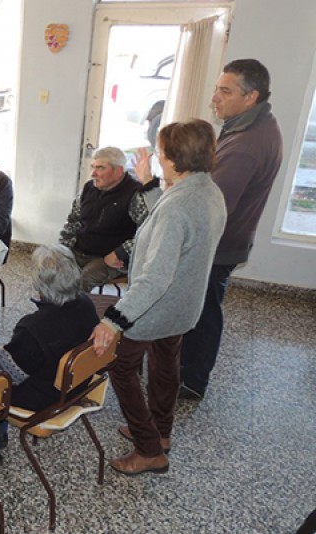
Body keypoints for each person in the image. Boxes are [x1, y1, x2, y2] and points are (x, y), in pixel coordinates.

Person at [91, 119, 227, 476]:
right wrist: (151, 184)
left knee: (121, 366)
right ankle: (161, 432)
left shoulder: (177, 207)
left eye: (162, 153)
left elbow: (154, 277)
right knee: (166, 363)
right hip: (184, 306)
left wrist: (113, 320)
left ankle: (149, 448)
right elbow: (172, 229)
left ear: (176, 159)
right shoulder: (208, 191)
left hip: (156, 308)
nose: (159, 156)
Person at [177, 59, 283, 400]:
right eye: (216, 89)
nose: (215, 98)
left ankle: (192, 379)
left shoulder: (246, 145)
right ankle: (188, 368)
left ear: (251, 97)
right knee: (206, 306)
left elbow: (212, 205)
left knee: (204, 311)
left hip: (218, 244)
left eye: (225, 91)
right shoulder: (251, 125)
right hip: (228, 240)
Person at [0, 243, 100, 462]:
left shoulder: (33, 329)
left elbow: (4, 375)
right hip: (76, 386)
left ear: (39, 284)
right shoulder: (86, 303)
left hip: (44, 399)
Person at [59, 146, 160, 292]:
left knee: (85, 278)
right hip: (79, 250)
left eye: (100, 168)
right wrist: (62, 249)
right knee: (51, 266)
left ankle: (75, 307)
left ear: (118, 171)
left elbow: (147, 233)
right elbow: (72, 221)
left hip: (109, 259)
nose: (93, 173)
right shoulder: (88, 188)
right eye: (93, 167)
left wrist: (119, 253)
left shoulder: (136, 195)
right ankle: (54, 305)